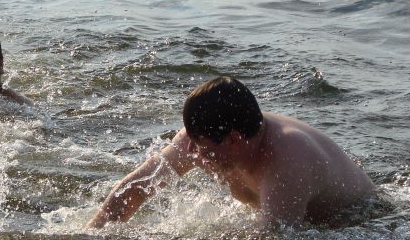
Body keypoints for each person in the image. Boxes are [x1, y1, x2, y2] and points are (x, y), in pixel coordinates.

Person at [87, 76, 374, 229]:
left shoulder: (288, 160)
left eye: (201, 146)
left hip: (358, 220)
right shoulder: (201, 136)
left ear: (234, 139)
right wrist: (92, 236)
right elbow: (135, 188)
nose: (191, 151)